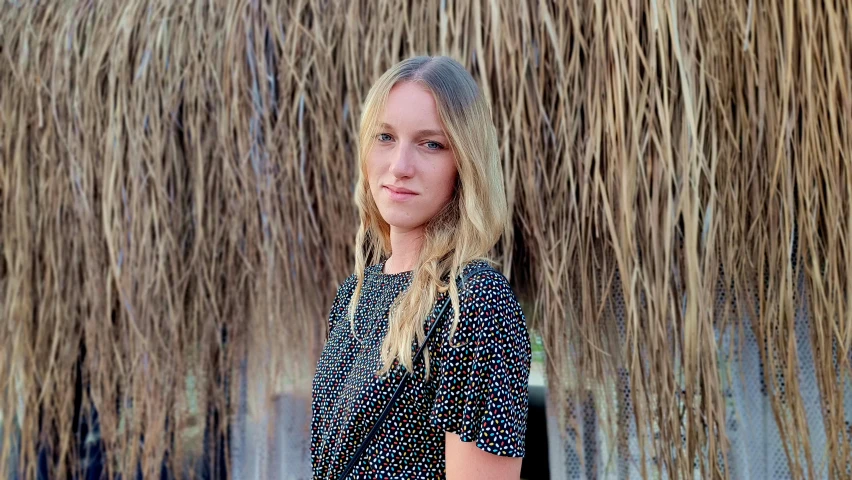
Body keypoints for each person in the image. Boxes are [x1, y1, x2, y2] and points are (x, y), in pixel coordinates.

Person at [311, 55, 531, 479]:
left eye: (431, 144)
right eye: (386, 137)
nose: (400, 166)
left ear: (463, 164)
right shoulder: (355, 295)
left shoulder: (476, 302)